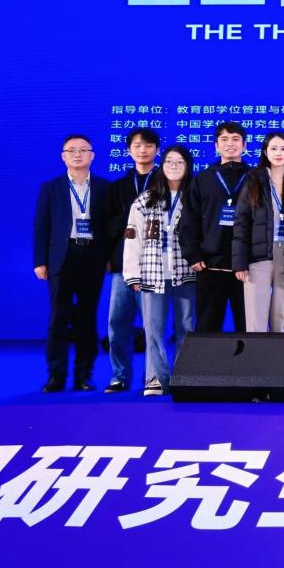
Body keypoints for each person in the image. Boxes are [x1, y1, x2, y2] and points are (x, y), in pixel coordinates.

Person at [33, 135, 113, 392]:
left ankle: (83, 376)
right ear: (63, 156)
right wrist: (40, 261)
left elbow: (111, 228)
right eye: (71, 150)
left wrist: (110, 258)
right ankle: (56, 376)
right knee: (58, 317)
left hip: (93, 257)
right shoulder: (51, 187)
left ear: (92, 155)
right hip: (61, 257)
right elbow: (41, 226)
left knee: (86, 319)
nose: (77, 154)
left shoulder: (105, 188)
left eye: (83, 150)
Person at [122, 146, 197, 396]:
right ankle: (155, 378)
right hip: (152, 274)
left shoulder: (195, 197)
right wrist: (132, 274)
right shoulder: (145, 200)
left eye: (180, 162)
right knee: (153, 329)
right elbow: (133, 239)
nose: (174, 166)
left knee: (186, 327)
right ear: (161, 166)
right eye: (169, 161)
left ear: (188, 166)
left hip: (186, 272)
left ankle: (184, 376)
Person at [179, 121, 251, 333]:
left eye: (236, 139)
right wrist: (192, 255)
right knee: (207, 327)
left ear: (245, 146)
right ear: (216, 146)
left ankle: (247, 359)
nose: (230, 144)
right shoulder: (203, 178)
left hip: (247, 267)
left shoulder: (256, 177)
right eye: (224, 139)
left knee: (248, 327)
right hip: (210, 266)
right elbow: (189, 219)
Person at [103, 127, 159, 393]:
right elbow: (106, 226)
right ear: (128, 150)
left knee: (152, 326)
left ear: (157, 149)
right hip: (123, 265)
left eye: (148, 145)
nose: (142, 150)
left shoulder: (166, 183)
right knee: (117, 323)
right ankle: (119, 376)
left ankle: (153, 378)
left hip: (156, 265)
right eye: (137, 145)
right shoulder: (118, 187)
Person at [233, 132, 284, 332]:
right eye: (273, 148)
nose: (278, 153)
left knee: (281, 320)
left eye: (283, 149)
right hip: (258, 256)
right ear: (265, 152)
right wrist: (239, 262)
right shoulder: (254, 179)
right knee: (256, 322)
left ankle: (278, 355)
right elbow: (241, 222)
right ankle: (256, 355)